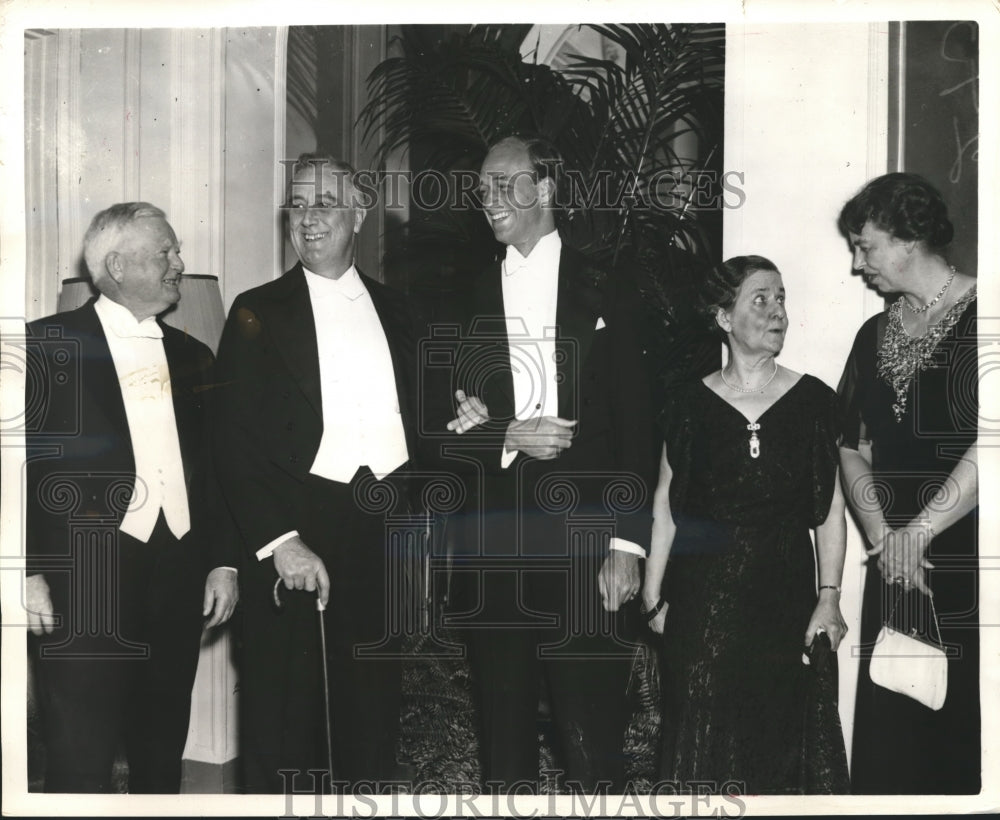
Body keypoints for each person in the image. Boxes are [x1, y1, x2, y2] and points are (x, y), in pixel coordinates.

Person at [441, 133, 657, 792]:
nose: (490, 200)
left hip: (589, 542)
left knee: (589, 727)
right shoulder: (464, 295)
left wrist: (627, 545)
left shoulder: (611, 287)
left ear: (548, 186)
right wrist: (510, 432)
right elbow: (445, 432)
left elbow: (639, 429)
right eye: (483, 189)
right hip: (495, 543)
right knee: (502, 730)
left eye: (506, 183)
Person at [213, 153, 420, 793]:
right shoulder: (256, 311)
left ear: (359, 213)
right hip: (297, 534)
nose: (307, 218)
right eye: (297, 204)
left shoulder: (403, 312)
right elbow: (231, 443)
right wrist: (281, 541)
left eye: (324, 203)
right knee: (286, 722)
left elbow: (427, 425)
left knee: (372, 714)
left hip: (386, 534)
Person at [23, 202, 239, 793]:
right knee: (79, 755)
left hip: (178, 575)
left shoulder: (197, 357)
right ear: (116, 264)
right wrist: (29, 571)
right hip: (83, 579)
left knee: (161, 746)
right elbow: (14, 470)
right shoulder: (42, 347)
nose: (180, 262)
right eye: (165, 251)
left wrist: (222, 561)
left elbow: (216, 474)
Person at [642, 255, 850, 795]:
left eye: (781, 297)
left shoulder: (814, 402)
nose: (778, 310)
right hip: (700, 605)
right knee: (699, 748)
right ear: (723, 317)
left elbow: (828, 509)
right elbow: (666, 502)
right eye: (761, 299)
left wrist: (829, 596)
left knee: (775, 746)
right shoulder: (687, 404)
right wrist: (651, 595)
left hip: (781, 599)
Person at [836, 173, 979, 794]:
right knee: (892, 741)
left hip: (966, 557)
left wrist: (918, 535)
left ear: (909, 236)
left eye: (865, 247)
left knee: (962, 732)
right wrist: (885, 536)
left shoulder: (990, 313)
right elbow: (850, 445)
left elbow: (993, 447)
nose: (857, 265)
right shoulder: (874, 334)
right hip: (892, 560)